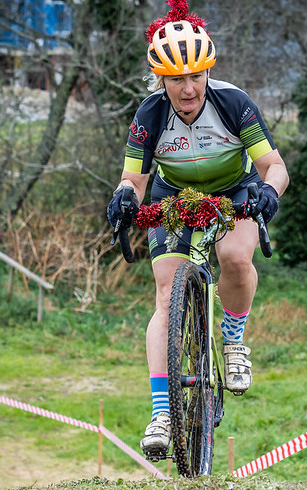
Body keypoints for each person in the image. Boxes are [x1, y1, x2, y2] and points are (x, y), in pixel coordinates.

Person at [107, 0, 289, 456]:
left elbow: (275, 166)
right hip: (173, 198)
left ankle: (232, 338)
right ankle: (163, 413)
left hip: (235, 191)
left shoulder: (233, 103)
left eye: (196, 76)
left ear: (208, 71)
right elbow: (133, 179)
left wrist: (269, 191)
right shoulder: (150, 116)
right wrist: (124, 197)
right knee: (167, 295)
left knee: (234, 257)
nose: (188, 89)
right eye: (176, 79)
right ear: (161, 80)